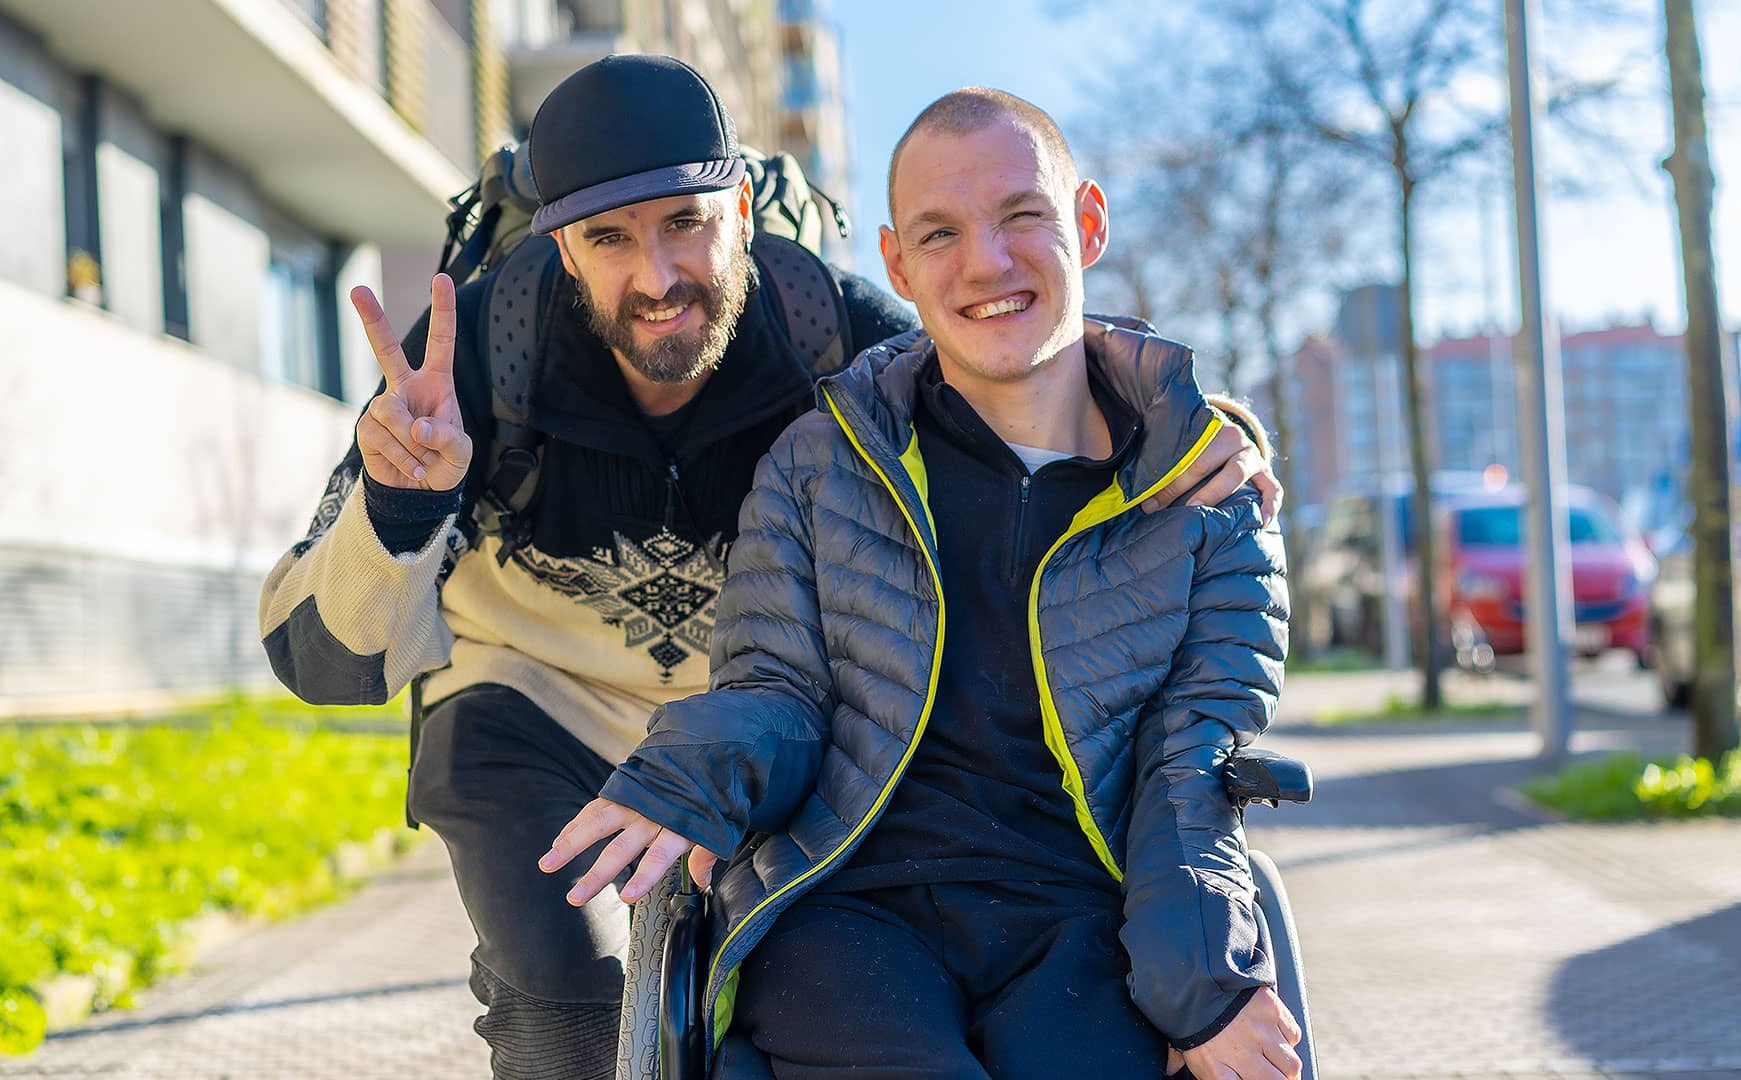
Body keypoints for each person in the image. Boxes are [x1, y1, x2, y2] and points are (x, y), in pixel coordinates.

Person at [261, 55, 1278, 1079]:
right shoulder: (471, 356)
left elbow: (1000, 333)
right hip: (533, 711)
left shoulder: (828, 334)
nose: (656, 277)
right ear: (563, 250)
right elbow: (322, 665)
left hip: (756, 720)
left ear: (743, 209)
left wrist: (1180, 421)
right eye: (609, 240)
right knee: (575, 1019)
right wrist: (403, 504)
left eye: (686, 223)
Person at [543, 87, 1300, 1080]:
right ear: (898, 266)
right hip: (848, 909)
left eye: (1021, 216)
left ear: (1089, 222)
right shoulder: (820, 465)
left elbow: (1190, 765)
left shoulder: (1208, 499)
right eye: (940, 234)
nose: (985, 262)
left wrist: (1203, 986)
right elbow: (775, 690)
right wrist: (689, 779)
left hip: (1076, 922)